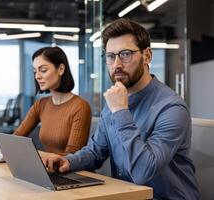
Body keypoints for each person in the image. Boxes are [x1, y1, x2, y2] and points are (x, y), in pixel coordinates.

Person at [42, 19, 200, 199]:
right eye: (110, 56)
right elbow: (96, 152)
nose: (116, 64)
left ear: (147, 56)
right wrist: (67, 161)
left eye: (125, 54)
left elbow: (142, 172)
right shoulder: (114, 100)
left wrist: (120, 112)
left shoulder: (171, 108)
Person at [13, 46, 92, 156]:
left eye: (43, 70)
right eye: (35, 71)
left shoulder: (80, 107)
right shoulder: (41, 105)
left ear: (60, 69)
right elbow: (16, 137)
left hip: (69, 171)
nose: (37, 76)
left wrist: (41, 158)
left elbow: (72, 155)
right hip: (48, 169)